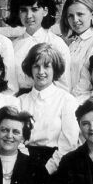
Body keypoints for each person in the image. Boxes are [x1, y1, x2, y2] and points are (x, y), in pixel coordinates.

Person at [17, 43, 79, 174]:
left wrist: (48, 169)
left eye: (46, 66)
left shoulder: (66, 100)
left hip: (57, 164)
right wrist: (25, 162)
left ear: (55, 69)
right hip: (24, 163)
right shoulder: (20, 101)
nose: (41, 72)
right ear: (30, 68)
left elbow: (69, 143)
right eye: (36, 66)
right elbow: (16, 138)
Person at [7, 0, 71, 94]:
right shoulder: (12, 47)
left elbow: (64, 86)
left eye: (34, 9)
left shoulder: (56, 44)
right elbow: (9, 85)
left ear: (45, 11)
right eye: (23, 10)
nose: (28, 15)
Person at [61, 0, 93, 97]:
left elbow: (87, 80)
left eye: (80, 14)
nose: (75, 20)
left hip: (86, 100)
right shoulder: (72, 44)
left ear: (92, 15)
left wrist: (70, 101)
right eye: (70, 16)